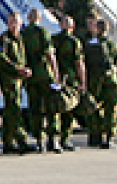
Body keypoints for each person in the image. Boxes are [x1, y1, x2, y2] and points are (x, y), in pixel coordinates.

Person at [0, 11, 32, 155]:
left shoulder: (20, 40)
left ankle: (8, 142)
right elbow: (1, 58)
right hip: (9, 79)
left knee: (10, 111)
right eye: (11, 22)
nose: (14, 25)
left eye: (16, 22)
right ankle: (21, 140)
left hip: (19, 80)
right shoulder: (4, 40)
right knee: (14, 110)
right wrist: (18, 69)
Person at [22, 8, 61, 152]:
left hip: (31, 77)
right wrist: (56, 75)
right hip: (45, 75)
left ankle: (39, 141)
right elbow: (50, 54)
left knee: (35, 109)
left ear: (28, 18)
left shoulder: (23, 34)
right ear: (40, 18)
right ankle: (53, 140)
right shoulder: (43, 32)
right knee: (51, 109)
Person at [82, 17, 117, 149]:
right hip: (111, 80)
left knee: (94, 107)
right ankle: (109, 137)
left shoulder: (89, 44)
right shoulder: (112, 44)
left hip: (94, 80)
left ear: (97, 29)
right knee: (110, 108)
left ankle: (94, 135)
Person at [52, 16, 87, 151]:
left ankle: (53, 139)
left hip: (56, 78)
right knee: (69, 109)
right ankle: (64, 139)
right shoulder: (74, 41)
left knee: (55, 109)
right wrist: (83, 82)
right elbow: (79, 63)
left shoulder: (54, 39)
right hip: (71, 80)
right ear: (72, 27)